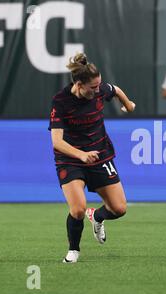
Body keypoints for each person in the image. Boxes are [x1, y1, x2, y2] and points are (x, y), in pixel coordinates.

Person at [49, 53, 135, 263]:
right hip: (70, 158)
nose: (98, 90)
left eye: (99, 86)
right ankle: (73, 250)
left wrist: (128, 104)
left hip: (100, 154)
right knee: (77, 209)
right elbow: (57, 142)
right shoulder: (60, 101)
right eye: (94, 87)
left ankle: (96, 217)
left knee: (119, 209)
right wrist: (81, 155)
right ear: (79, 85)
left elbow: (114, 89)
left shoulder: (100, 90)